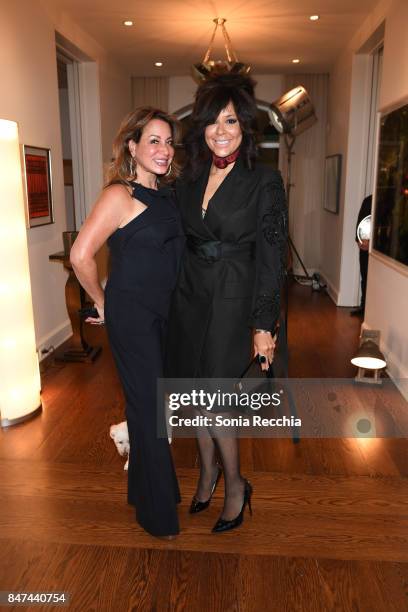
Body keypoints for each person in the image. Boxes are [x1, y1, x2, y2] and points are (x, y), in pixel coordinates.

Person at [165, 74, 288, 533]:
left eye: (231, 120)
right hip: (190, 297)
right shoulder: (189, 177)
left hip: (235, 303)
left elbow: (272, 257)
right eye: (213, 121)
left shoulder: (265, 181)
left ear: (245, 126)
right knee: (194, 397)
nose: (221, 130)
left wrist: (263, 324)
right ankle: (206, 472)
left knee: (215, 401)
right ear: (201, 128)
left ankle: (235, 484)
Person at [70, 107, 184, 539]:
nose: (163, 149)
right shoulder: (120, 195)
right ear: (132, 147)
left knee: (152, 406)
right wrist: (104, 302)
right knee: (151, 409)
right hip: (133, 317)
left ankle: (147, 491)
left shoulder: (167, 195)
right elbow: (81, 256)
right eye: (153, 140)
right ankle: (157, 517)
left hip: (164, 314)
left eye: (168, 141)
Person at [350, 194, 372, 317]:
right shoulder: (368, 200)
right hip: (364, 245)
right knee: (364, 276)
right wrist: (358, 239)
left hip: (376, 248)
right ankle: (364, 307)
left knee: (373, 279)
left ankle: (370, 310)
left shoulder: (386, 202)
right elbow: (361, 221)